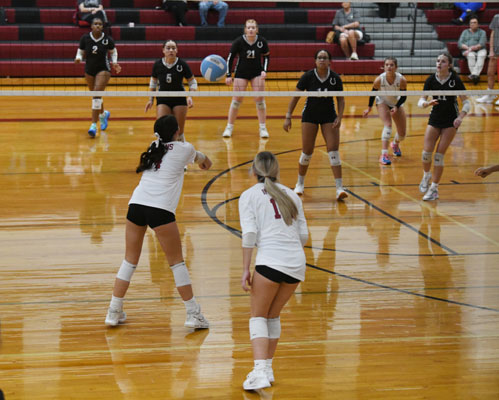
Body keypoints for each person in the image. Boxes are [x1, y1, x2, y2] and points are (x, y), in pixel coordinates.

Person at [105, 115, 212, 328]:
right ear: (177, 131)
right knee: (176, 263)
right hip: (160, 209)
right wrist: (204, 162)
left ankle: (113, 311)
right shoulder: (185, 149)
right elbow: (205, 161)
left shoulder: (153, 146)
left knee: (129, 261)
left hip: (136, 205)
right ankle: (193, 314)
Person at [238, 151, 308, 391]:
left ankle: (259, 371)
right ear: (277, 170)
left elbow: (249, 235)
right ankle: (267, 368)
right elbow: (303, 236)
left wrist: (245, 269)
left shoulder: (249, 196)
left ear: (254, 171)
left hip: (270, 261)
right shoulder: (292, 195)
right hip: (296, 264)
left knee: (258, 316)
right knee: (272, 316)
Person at [283, 49, 348, 201]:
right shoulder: (308, 76)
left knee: (333, 151)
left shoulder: (335, 78)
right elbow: (295, 97)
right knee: (307, 151)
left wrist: (339, 117)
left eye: (325, 57)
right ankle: (299, 184)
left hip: (329, 116)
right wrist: (288, 116)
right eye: (319, 57)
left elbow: (341, 99)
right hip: (310, 115)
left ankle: (339, 188)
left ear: (329, 61)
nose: (322, 60)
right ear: (315, 61)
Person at [417, 53, 470, 201]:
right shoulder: (430, 80)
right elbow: (420, 101)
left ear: (450, 65)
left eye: (443, 61)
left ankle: (434, 189)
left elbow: (467, 103)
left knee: (439, 156)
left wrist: (460, 117)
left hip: (450, 121)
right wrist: (426, 103)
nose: (439, 63)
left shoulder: (455, 80)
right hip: (435, 119)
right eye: (438, 61)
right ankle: (426, 175)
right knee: (426, 154)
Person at [223, 19, 270, 139]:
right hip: (241, 73)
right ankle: (229, 127)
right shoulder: (238, 41)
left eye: (253, 27)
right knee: (236, 100)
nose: (251, 30)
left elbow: (266, 57)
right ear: (245, 29)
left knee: (260, 100)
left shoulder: (262, 41)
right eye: (248, 27)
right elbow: (230, 58)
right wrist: (228, 75)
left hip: (257, 73)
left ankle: (263, 128)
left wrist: (264, 70)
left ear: (257, 29)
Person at [74, 17, 120, 137]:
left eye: (100, 24)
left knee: (96, 95)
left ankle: (93, 125)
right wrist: (78, 58)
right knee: (96, 96)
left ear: (102, 26)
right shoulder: (85, 38)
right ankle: (103, 114)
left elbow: (113, 52)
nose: (98, 26)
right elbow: (80, 51)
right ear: (91, 26)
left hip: (103, 69)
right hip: (89, 70)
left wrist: (115, 62)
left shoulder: (107, 39)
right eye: (95, 24)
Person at [145, 40, 197, 142]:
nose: (171, 50)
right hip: (163, 99)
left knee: (179, 132)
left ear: (177, 50)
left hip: (179, 99)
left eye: (173, 48)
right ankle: (162, 151)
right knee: (162, 130)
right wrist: (150, 99)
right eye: (168, 48)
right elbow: (153, 83)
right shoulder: (158, 64)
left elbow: (193, 83)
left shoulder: (182, 64)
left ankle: (181, 150)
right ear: (163, 50)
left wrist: (190, 96)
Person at [363, 57, 407, 165]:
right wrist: (369, 108)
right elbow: (373, 93)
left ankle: (395, 144)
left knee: (402, 134)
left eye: (391, 65)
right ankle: (384, 155)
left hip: (396, 102)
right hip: (382, 101)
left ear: (396, 67)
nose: (389, 67)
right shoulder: (379, 79)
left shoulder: (401, 80)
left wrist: (396, 106)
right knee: (388, 125)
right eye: (387, 65)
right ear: (384, 67)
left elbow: (404, 96)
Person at [476, 13, 499, 104]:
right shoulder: (496, 17)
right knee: (490, 73)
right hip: (495, 51)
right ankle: (490, 94)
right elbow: (493, 34)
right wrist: (491, 50)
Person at [457, 17, 487, 84]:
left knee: (482, 55)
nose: (473, 24)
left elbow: (481, 44)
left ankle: (474, 74)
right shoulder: (465, 32)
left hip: (480, 50)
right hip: (468, 50)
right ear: (469, 24)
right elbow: (459, 43)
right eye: (471, 23)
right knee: (470, 56)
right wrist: (468, 49)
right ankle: (475, 76)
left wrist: (471, 48)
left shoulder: (482, 32)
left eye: (474, 22)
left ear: (478, 24)